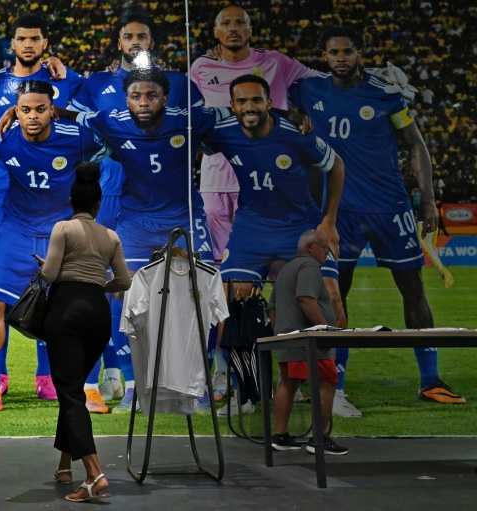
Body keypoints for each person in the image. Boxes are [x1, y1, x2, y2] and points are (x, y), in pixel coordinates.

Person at [288, 26, 465, 404]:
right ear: (324, 56)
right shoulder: (308, 90)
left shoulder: (387, 95)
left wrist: (428, 200)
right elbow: (288, 114)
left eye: (347, 51)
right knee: (336, 295)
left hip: (390, 206)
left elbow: (416, 146)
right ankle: (336, 383)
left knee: (413, 289)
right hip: (339, 212)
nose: (340, 58)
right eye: (333, 52)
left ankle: (430, 380)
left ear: (360, 52)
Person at [189, 5, 327, 403]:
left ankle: (295, 375)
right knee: (225, 287)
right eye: (226, 23)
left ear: (251, 29)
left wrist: (302, 114)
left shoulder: (276, 63)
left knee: (290, 285)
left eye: (240, 22)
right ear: (215, 32)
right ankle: (224, 373)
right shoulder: (199, 68)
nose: (234, 29)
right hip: (218, 183)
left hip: (277, 194)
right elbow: (186, 112)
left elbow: (323, 84)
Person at [69, 10, 200, 412]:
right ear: (119, 41)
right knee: (119, 292)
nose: (136, 41)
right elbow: (71, 120)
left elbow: (218, 127)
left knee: (195, 295)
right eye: (129, 36)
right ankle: (119, 375)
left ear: (152, 41)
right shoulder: (97, 84)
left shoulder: (178, 83)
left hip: (176, 208)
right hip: (120, 201)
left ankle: (201, 379)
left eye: (143, 35)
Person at [212, 74, 345, 414]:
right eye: (241, 102)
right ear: (233, 106)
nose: (249, 107)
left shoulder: (296, 135)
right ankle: (243, 389)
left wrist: (328, 222)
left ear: (270, 103)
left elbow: (336, 166)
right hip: (252, 228)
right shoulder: (223, 132)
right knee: (229, 299)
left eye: (256, 100)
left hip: (300, 228)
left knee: (329, 296)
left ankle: (333, 386)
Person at [0, 13, 84, 410]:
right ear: (13, 43)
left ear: (44, 42)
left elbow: (92, 127)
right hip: (5, 189)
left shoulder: (66, 78)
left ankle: (46, 377)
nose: (29, 44)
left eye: (35, 38)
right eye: (22, 38)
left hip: (53, 198)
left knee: (54, 297)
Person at [0, 80, 110, 413]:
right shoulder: (2, 139)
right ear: (16, 111)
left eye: (41, 109)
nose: (33, 116)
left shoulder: (76, 139)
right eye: (25, 110)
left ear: (52, 109)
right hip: (17, 232)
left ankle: (89, 388)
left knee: (85, 306)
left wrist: (68, 113)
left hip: (64, 234)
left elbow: (110, 133)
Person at [37, 162, 130, 502]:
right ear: (97, 205)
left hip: (66, 311)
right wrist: (97, 287)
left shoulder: (63, 228)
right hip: (98, 313)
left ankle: (94, 474)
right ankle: (65, 466)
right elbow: (124, 282)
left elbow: (48, 275)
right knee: (73, 387)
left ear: (72, 202)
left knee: (70, 394)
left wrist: (49, 269)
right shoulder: (111, 236)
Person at [268, 230, 348, 456]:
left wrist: (281, 333)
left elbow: (272, 306)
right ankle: (319, 440)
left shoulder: (285, 270)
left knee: (287, 383)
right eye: (325, 248)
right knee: (328, 381)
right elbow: (305, 298)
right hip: (309, 341)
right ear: (311, 248)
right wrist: (324, 329)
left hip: (288, 338)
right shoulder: (309, 267)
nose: (328, 254)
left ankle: (281, 437)